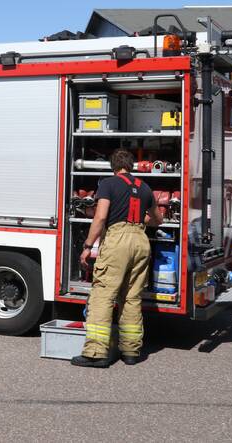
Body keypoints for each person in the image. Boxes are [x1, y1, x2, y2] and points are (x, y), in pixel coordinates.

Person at [72, 148, 162, 368]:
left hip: (118, 240)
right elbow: (157, 219)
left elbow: (101, 217)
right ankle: (130, 352)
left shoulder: (108, 184)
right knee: (131, 298)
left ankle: (96, 353)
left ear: (114, 167)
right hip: (140, 241)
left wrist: (87, 246)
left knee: (103, 296)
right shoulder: (145, 187)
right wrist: (138, 220)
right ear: (130, 166)